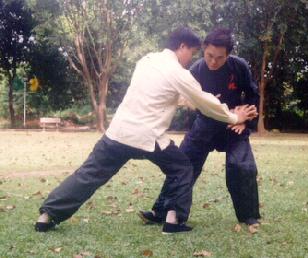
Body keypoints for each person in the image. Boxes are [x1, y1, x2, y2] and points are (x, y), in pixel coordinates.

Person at [35, 27, 258, 235]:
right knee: (183, 168)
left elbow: (158, 93)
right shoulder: (179, 73)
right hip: (149, 138)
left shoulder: (146, 61)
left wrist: (188, 102)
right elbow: (205, 101)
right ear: (181, 47)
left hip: (117, 134)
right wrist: (235, 116)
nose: (192, 58)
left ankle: (47, 215)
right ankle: (173, 220)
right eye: (192, 52)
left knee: (87, 174)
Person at [139, 28, 261, 228]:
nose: (213, 61)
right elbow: (188, 100)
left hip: (234, 125)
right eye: (209, 55)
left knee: (241, 165)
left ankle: (249, 216)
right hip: (204, 125)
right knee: (183, 164)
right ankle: (162, 212)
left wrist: (244, 121)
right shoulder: (195, 70)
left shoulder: (239, 67)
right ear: (204, 49)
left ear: (228, 55)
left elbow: (252, 95)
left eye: (219, 58)